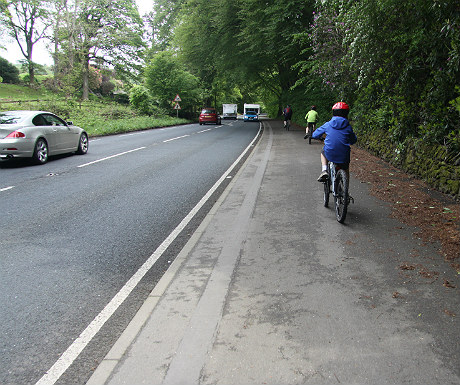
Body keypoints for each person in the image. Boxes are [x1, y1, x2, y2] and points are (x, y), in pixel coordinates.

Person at [311, 102, 357, 182]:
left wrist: (320, 138)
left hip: (330, 152)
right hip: (344, 155)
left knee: (323, 151)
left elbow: (314, 135)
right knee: (346, 169)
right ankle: (346, 192)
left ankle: (324, 170)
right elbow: (353, 140)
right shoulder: (348, 127)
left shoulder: (328, 124)